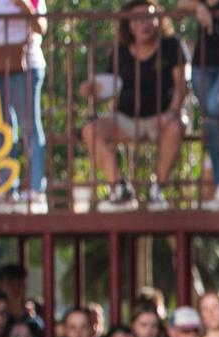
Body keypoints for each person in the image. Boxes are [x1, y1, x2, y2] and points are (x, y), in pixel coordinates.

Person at [83, 0, 189, 211]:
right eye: (138, 19)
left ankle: (157, 190)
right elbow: (107, 88)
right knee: (90, 131)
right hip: (125, 119)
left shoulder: (172, 45)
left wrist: (171, 113)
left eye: (149, 16)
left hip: (162, 118)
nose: (145, 23)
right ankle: (119, 188)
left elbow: (182, 85)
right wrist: (91, 90)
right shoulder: (119, 52)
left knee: (178, 125)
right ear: (129, 25)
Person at [0, 0, 48, 213]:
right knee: (2, 129)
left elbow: (41, 28)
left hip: (25, 67)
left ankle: (35, 189)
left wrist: (25, 6)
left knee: (29, 126)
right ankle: (8, 188)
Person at [180, 0, 219, 208]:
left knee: (215, 108)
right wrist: (199, 6)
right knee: (211, 121)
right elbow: (182, 4)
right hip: (203, 64)